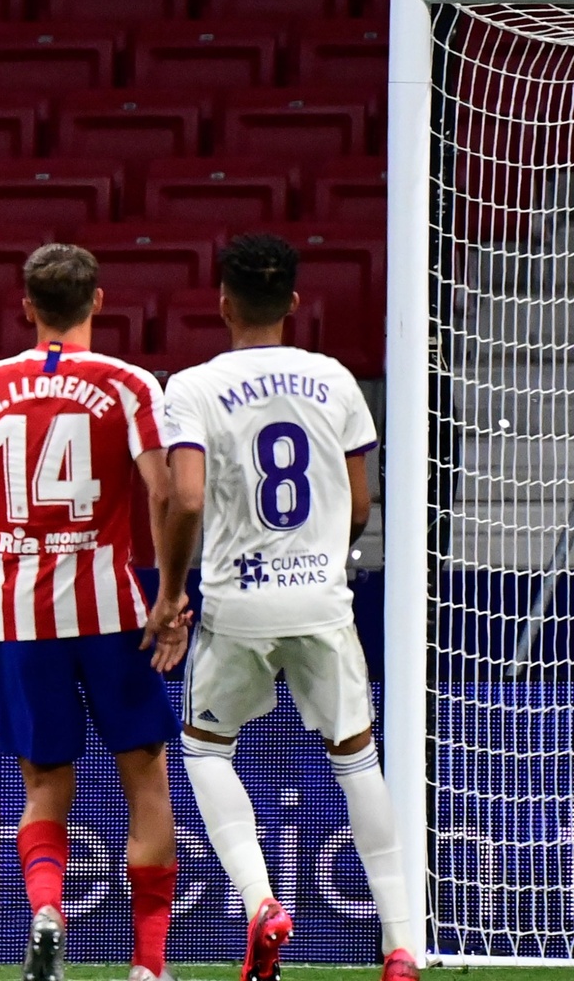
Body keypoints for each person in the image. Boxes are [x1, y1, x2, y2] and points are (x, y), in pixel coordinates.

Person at [156, 233, 418, 981]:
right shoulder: (336, 380)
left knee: (207, 749)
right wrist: (319, 556)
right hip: (320, 598)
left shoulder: (192, 387)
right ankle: (401, 944)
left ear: (222, 303)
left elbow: (186, 498)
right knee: (356, 759)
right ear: (294, 302)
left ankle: (261, 903)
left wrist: (172, 593)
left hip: (236, 601)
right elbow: (360, 503)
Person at [0, 244, 187, 981]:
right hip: (112, 614)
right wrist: (168, 596)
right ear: (98, 301)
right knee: (147, 782)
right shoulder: (129, 384)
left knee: (43, 788)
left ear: (27, 306)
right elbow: (165, 492)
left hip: (22, 617)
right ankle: (149, 966)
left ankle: (47, 911)